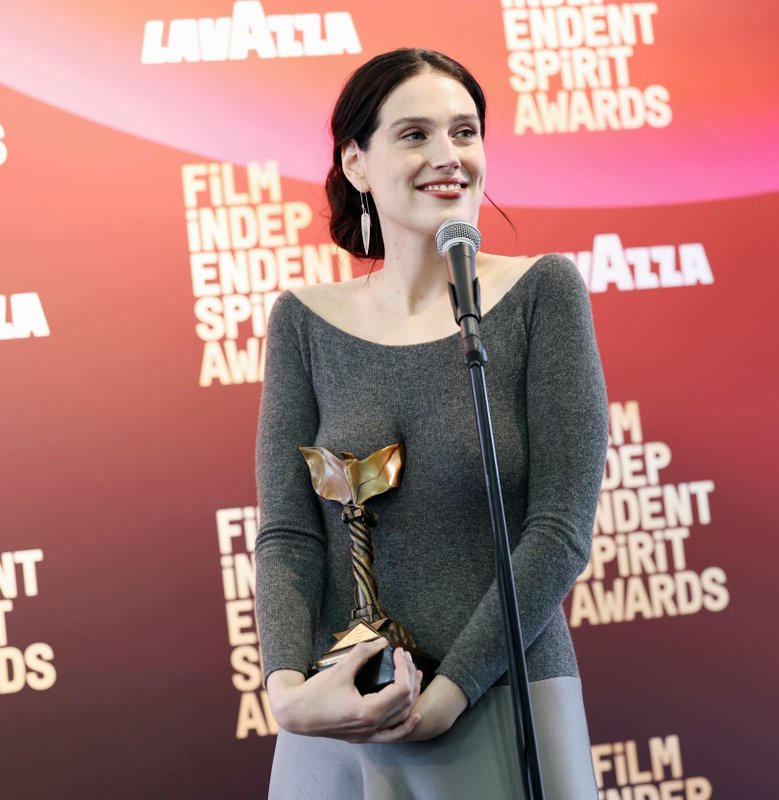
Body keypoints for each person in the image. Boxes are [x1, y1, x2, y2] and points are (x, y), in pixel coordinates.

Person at [255, 48, 608, 799]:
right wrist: (290, 692)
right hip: (339, 714)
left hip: (498, 696)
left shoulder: (542, 293)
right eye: (414, 134)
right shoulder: (303, 322)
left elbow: (559, 528)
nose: (448, 157)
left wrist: (446, 695)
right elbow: (289, 534)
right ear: (357, 161)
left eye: (465, 132)